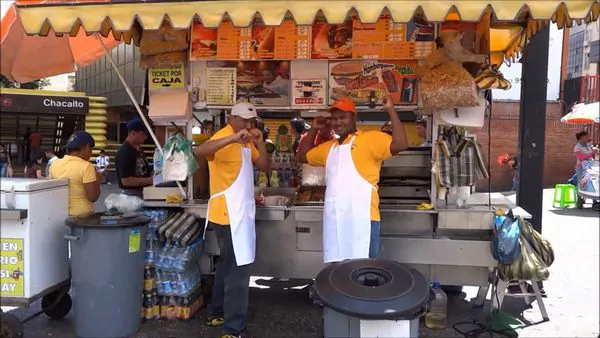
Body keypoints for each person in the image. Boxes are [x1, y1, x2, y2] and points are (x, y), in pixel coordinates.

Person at [298, 97, 409, 262]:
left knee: (362, 272)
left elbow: (401, 144)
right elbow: (302, 156)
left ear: (353, 118)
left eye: (343, 117)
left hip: (363, 220)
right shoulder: (329, 147)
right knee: (337, 273)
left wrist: (391, 110)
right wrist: (314, 129)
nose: (338, 122)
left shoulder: (370, 139)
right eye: (334, 118)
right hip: (335, 221)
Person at [194, 102, 270, 338]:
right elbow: (200, 151)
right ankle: (233, 328)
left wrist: (258, 142)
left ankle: (217, 313)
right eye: (244, 120)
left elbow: (264, 166)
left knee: (227, 265)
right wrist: (233, 138)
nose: (248, 125)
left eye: (251, 121)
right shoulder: (223, 136)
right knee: (240, 269)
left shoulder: (248, 141)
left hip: (241, 212)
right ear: (231, 117)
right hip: (227, 214)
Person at [49, 131, 100, 217]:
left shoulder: (54, 164)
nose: (91, 153)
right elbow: (93, 197)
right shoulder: (86, 166)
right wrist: (97, 179)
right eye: (91, 149)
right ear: (87, 147)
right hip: (82, 217)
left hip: (60, 215)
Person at [116, 119, 153, 197]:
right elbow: (126, 181)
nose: (146, 137)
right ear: (133, 133)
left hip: (142, 191)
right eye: (143, 134)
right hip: (132, 195)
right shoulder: (125, 152)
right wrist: (151, 180)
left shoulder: (138, 148)